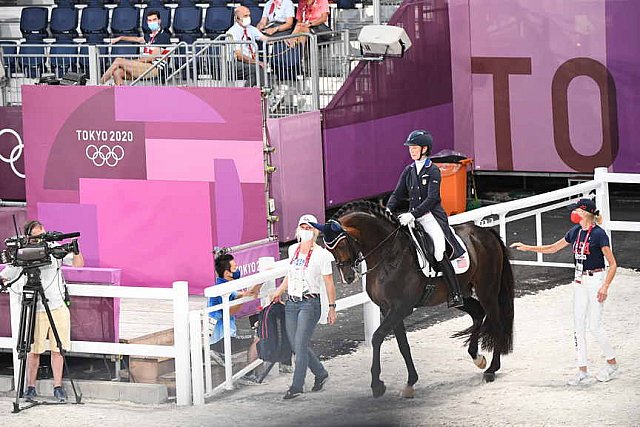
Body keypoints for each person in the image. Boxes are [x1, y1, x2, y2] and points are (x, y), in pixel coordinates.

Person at [511, 198, 619, 385]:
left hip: (596, 280)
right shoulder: (575, 231)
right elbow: (553, 248)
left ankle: (612, 363)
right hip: (579, 281)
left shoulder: (600, 234)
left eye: (576, 210)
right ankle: (582, 370)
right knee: (578, 327)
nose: (574, 213)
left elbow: (613, 264)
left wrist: (605, 287)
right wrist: (528, 247)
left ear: (585, 213)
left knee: (594, 326)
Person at [0, 220, 84, 402]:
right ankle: (30, 387)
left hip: (57, 306)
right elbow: (6, 274)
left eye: (43, 235)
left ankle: (58, 387)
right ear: (28, 237)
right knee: (33, 350)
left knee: (58, 349)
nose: (41, 240)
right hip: (36, 309)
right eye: (37, 236)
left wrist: (76, 250)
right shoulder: (21, 254)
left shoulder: (54, 248)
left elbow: (78, 264)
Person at [386, 130, 465, 308]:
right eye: (410, 148)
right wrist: (388, 208)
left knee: (438, 251)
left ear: (425, 149)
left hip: (430, 217)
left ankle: (456, 292)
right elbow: (397, 194)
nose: (411, 151)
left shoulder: (433, 170)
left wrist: (412, 214)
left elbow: (432, 199)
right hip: (412, 216)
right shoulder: (409, 170)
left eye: (415, 148)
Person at [270, 214, 337, 400]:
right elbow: (290, 275)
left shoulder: (322, 255)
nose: (305, 231)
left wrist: (332, 307)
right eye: (303, 227)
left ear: (315, 231)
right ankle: (321, 373)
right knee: (297, 344)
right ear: (297, 229)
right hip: (292, 302)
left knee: (300, 344)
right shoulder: (293, 250)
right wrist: (279, 291)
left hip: (309, 303)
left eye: (309, 228)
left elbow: (329, 282)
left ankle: (297, 386)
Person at [208, 251, 262, 384]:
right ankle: (248, 374)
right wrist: (243, 299)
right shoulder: (222, 290)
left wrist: (251, 291)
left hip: (220, 336)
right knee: (257, 338)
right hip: (221, 339)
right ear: (227, 273)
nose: (238, 270)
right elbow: (230, 312)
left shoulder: (224, 285)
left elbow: (240, 294)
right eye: (235, 268)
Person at [99, 11, 171, 85]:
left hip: (155, 68)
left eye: (154, 20)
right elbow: (137, 39)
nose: (152, 22)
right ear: (147, 22)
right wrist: (120, 38)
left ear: (159, 21)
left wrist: (134, 61)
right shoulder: (149, 36)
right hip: (145, 66)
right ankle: (122, 95)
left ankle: (99, 84)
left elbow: (152, 57)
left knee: (118, 61)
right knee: (117, 72)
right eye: (150, 20)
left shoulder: (163, 36)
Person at [227, 6, 269, 87]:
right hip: (234, 63)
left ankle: (252, 93)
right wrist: (257, 62)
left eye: (249, 15)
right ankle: (258, 93)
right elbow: (239, 56)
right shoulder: (232, 32)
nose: (248, 18)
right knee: (256, 68)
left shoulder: (251, 29)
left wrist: (283, 38)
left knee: (257, 71)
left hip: (249, 62)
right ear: (237, 18)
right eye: (245, 16)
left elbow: (265, 39)